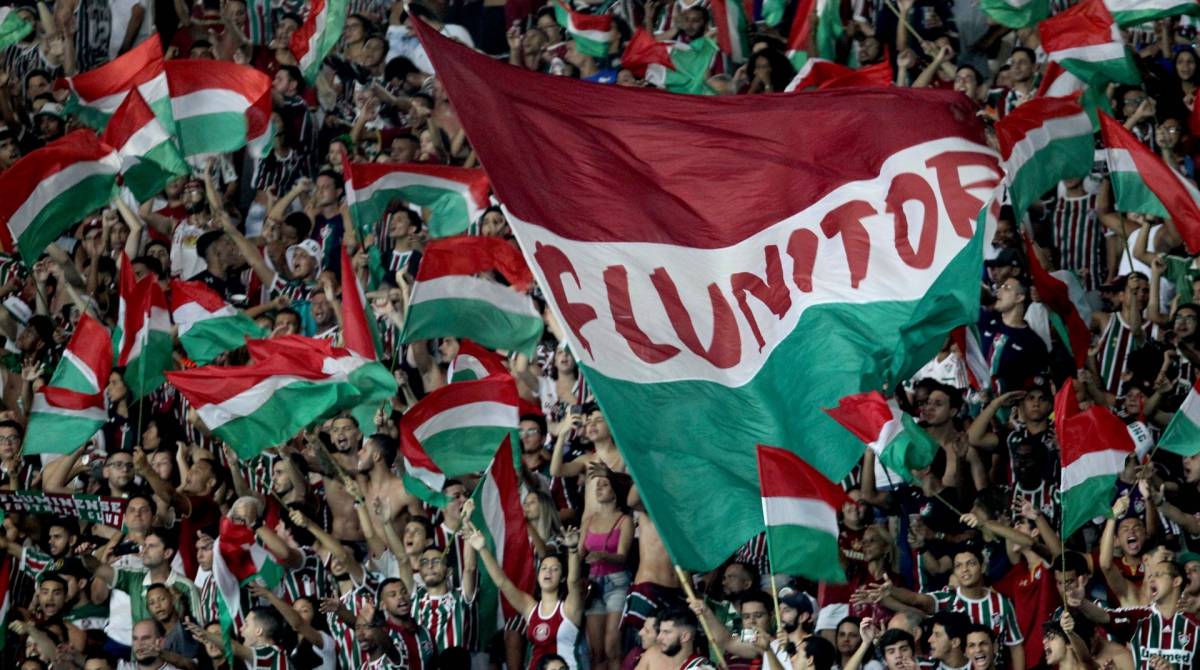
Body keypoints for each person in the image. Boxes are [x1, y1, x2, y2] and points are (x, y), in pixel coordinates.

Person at [466, 520, 586, 669]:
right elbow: (502, 582)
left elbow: (573, 583)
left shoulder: (569, 608)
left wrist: (573, 550)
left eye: (555, 569)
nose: (548, 572)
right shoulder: (530, 608)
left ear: (562, 578)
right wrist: (482, 549)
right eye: (544, 568)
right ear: (538, 574)